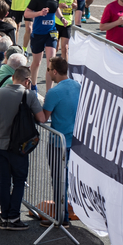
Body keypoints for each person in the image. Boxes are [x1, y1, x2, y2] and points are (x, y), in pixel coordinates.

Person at [0, 66, 44, 231]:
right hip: (19, 146)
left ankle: (4, 217)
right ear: (27, 81)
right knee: (18, 181)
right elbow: (42, 118)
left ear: (12, 78)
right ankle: (14, 217)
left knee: (3, 182)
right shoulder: (28, 95)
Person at [41, 56, 80, 227]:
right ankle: (68, 212)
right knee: (70, 180)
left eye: (49, 70)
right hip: (76, 143)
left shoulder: (53, 93)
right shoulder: (78, 86)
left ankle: (61, 217)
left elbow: (43, 118)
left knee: (58, 180)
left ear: (55, 72)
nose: (48, 72)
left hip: (58, 144)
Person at [25, 0, 63, 87]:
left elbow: (56, 8)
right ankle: (33, 85)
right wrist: (39, 13)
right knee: (37, 62)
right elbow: (26, 13)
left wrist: (61, 18)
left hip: (51, 33)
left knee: (51, 63)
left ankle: (48, 93)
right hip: (38, 33)